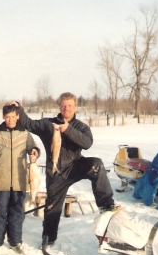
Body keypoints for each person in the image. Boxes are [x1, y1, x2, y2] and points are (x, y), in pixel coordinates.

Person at [8, 92, 120, 247]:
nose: (66, 108)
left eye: (69, 106)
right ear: (59, 106)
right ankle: (48, 239)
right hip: (56, 171)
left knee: (97, 165)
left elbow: (87, 143)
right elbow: (29, 124)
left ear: (75, 107)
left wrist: (68, 130)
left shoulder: (80, 126)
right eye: (63, 105)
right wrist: (18, 109)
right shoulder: (49, 124)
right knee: (52, 207)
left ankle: (106, 205)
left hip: (76, 165)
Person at [0, 104, 41, 255]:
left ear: (18, 116)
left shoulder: (24, 133)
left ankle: (15, 241)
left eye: (13, 116)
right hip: (1, 182)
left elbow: (33, 147)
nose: (10, 120)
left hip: (19, 181)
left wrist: (34, 152)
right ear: (3, 117)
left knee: (17, 213)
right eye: (7, 117)